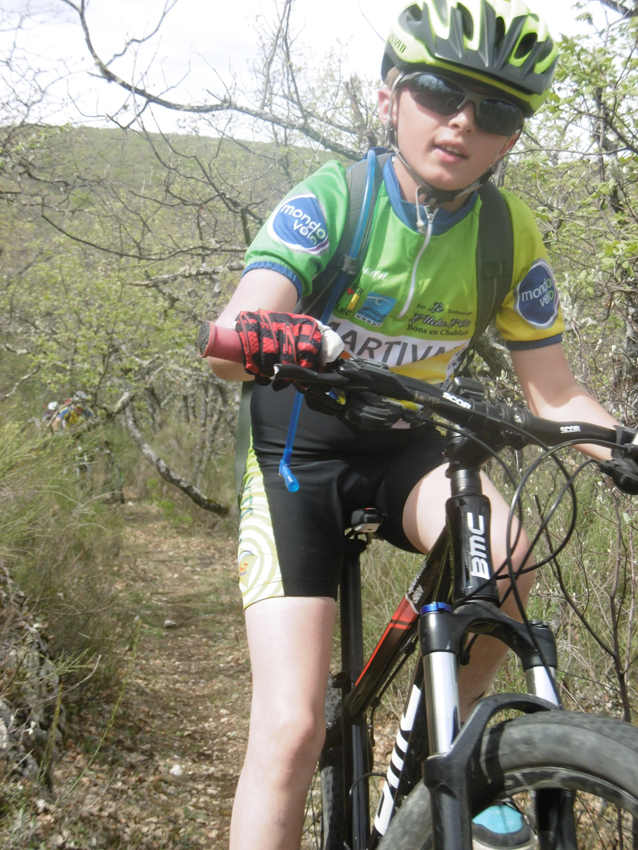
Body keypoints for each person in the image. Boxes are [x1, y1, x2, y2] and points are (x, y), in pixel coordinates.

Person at [208, 2, 626, 848]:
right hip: (299, 454)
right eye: (438, 93)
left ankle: (455, 751)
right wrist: (267, 332)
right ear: (388, 99)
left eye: (495, 110)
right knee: (291, 731)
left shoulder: (507, 232)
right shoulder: (335, 199)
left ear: (512, 137)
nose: (463, 122)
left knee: (505, 555)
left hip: (409, 446)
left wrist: (623, 445)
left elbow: (554, 393)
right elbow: (235, 335)